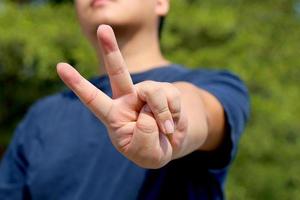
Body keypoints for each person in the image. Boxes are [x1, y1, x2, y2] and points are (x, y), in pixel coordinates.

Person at [0, 0, 250, 199]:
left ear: (161, 2)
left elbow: (202, 113)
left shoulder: (217, 85)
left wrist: (174, 120)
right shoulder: (40, 118)